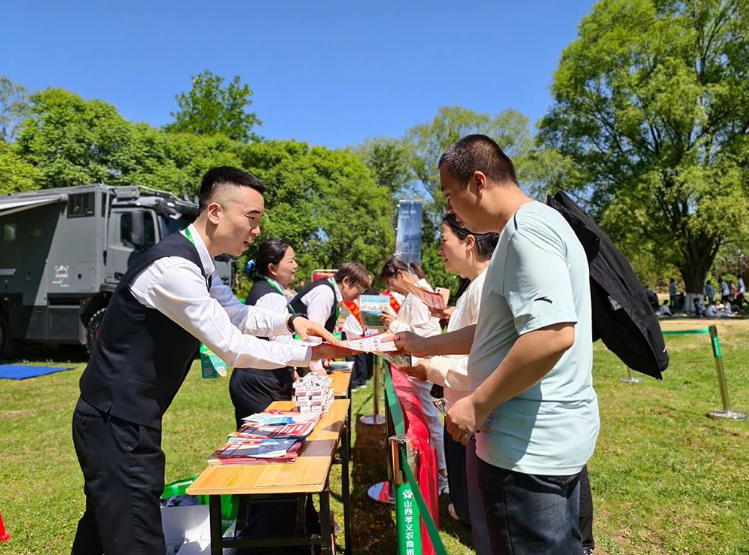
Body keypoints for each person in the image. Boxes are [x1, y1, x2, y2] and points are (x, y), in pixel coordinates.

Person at [71, 166, 352, 555]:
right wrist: (311, 352)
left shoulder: (198, 262)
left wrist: (292, 322)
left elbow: (237, 313)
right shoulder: (174, 268)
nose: (256, 231)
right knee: (136, 536)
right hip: (115, 420)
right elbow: (232, 346)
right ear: (216, 211)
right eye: (251, 218)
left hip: (123, 416)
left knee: (104, 527)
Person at [394, 134, 599, 555]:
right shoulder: (531, 228)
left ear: (478, 182)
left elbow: (551, 335)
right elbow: (494, 330)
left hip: (526, 452)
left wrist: (478, 403)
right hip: (542, 442)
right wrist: (424, 345)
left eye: (449, 195)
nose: (450, 208)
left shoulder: (527, 231)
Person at [401, 213, 498, 526]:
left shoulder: (484, 288)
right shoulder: (474, 287)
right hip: (462, 405)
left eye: (443, 241)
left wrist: (431, 367)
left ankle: (469, 515)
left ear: (468, 242)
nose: (439, 250)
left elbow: (484, 360)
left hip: (475, 411)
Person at [379, 257, 449, 495]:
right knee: (427, 418)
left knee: (430, 419)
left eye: (391, 283)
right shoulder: (415, 293)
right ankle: (438, 470)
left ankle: (443, 473)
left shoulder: (419, 294)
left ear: (399, 275)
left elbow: (425, 334)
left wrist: (395, 324)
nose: (392, 289)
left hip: (422, 366)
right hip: (417, 365)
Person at [230, 239, 299, 428]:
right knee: (269, 439)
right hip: (260, 382)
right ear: (273, 268)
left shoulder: (265, 289)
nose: (296, 265)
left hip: (254, 378)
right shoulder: (271, 296)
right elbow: (283, 345)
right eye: (291, 261)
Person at [289, 263, 372, 375]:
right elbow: (313, 332)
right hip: (293, 355)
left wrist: (323, 359)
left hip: (300, 355)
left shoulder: (331, 292)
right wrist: (317, 368)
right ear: (346, 281)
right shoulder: (325, 292)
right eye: (359, 289)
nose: (359, 295)